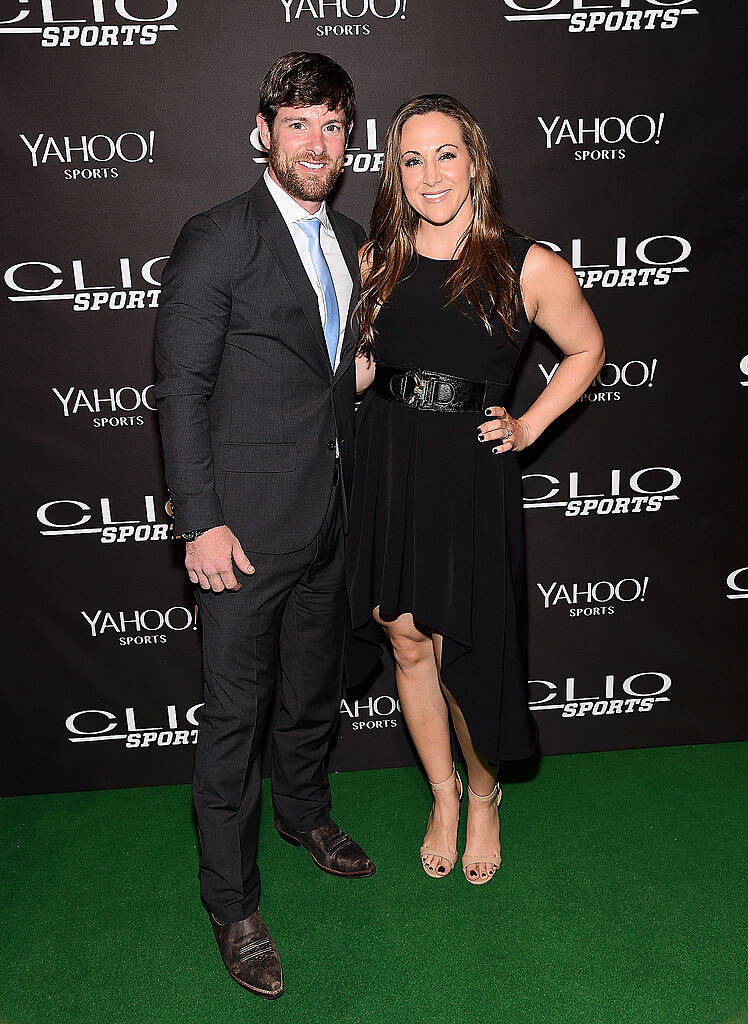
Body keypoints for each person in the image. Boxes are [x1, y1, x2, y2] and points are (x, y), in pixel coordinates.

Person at [154, 52, 374, 1000]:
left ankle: (307, 813)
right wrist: (199, 523)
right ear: (262, 131)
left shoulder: (355, 237)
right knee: (235, 721)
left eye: (332, 125)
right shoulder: (219, 236)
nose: (317, 143)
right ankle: (233, 903)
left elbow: (336, 374)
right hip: (240, 532)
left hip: (328, 519)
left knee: (312, 692)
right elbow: (181, 389)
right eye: (299, 124)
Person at [348, 94, 604, 886]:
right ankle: (443, 794)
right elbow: (360, 368)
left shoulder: (528, 264)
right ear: (395, 171)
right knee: (405, 638)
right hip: (385, 461)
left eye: (446, 153)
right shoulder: (375, 260)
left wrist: (527, 426)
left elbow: (587, 347)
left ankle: (486, 792)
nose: (431, 173)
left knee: (467, 645)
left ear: (475, 161)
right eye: (412, 158)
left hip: (467, 472)